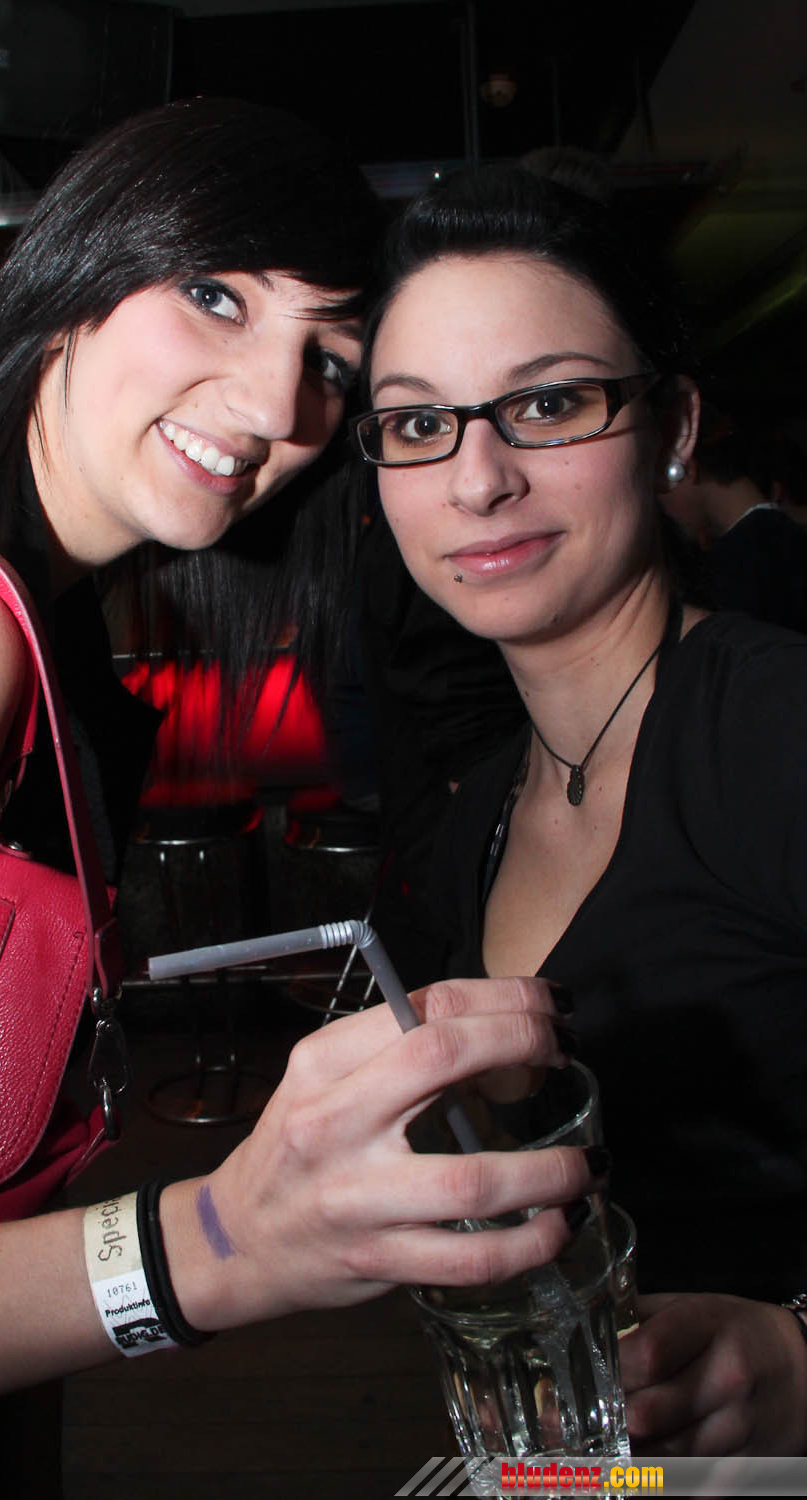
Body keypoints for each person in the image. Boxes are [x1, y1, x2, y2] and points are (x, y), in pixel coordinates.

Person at [0, 101, 597, 1492]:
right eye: (216, 295)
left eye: (329, 362)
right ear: (79, 271)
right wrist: (215, 1245)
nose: (279, 407)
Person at [354, 163, 807, 1456]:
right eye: (418, 423)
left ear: (674, 427)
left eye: (547, 403)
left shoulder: (774, 732)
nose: (477, 481)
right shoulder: (481, 816)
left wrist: (798, 1354)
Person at [660, 411, 807, 632]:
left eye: (660, 488)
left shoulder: (738, 567)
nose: (661, 506)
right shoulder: (787, 537)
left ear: (687, 469)